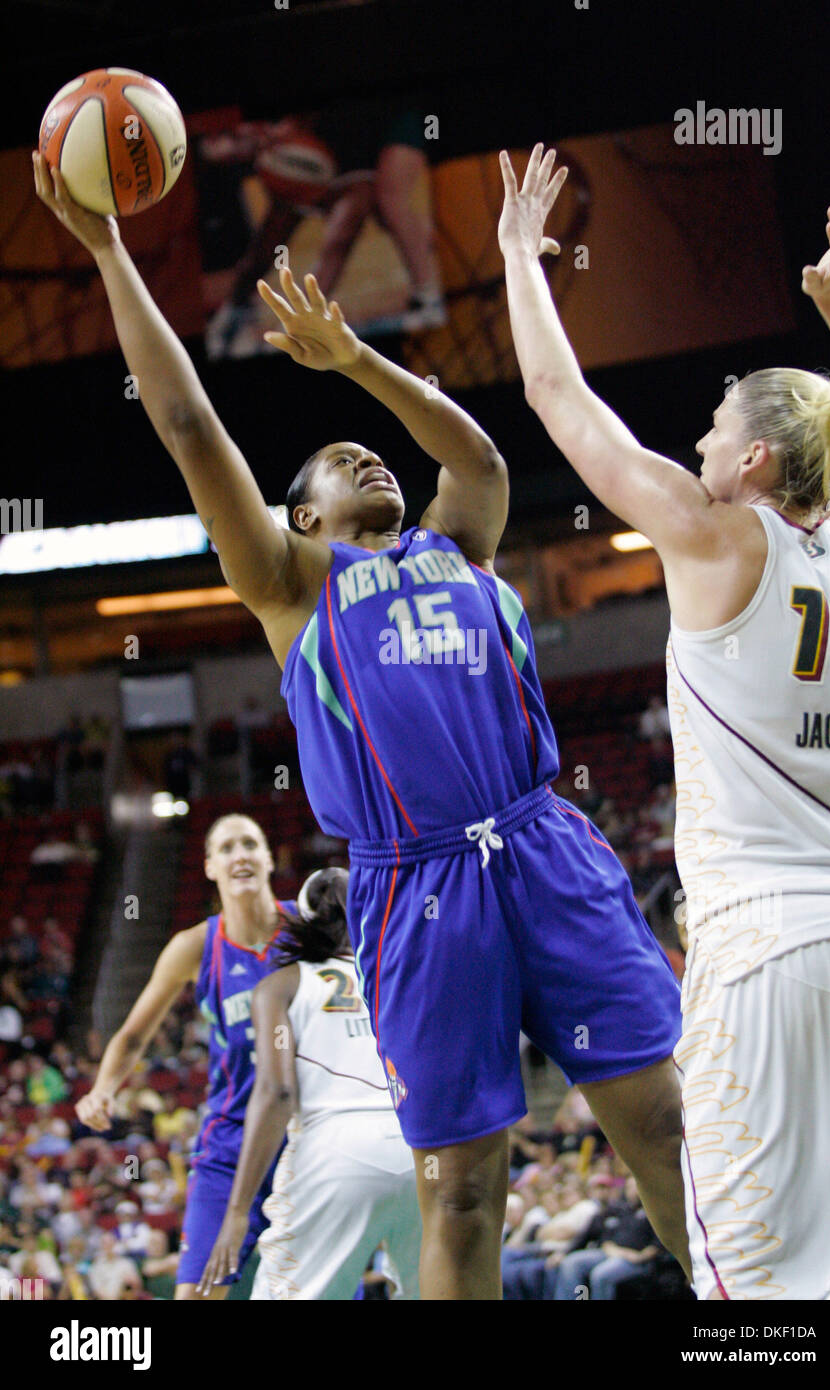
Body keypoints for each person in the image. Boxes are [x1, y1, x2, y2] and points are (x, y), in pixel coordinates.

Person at [34, 152, 688, 1301]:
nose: (367, 454)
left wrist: (355, 362)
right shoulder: (294, 586)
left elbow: (475, 456)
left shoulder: (460, 542)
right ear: (302, 517)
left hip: (541, 843)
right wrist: (106, 250)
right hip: (416, 889)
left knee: (664, 1126)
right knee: (463, 1190)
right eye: (340, 462)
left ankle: (762, 1322)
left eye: (372, 448)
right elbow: (188, 424)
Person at [498, 146, 830, 1299]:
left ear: (752, 457)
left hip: (762, 961)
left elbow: (560, 402)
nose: (695, 443)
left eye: (711, 428)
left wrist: (516, 255)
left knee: (754, 1297)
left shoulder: (715, 537)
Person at [74, 812, 297, 1299]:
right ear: (210, 867)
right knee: (195, 1293)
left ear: (268, 858)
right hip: (232, 1140)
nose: (239, 855)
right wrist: (104, 1089)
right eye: (226, 848)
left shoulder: (307, 929)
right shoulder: (194, 947)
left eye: (249, 844)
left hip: (308, 1135)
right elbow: (133, 1036)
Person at [198, 867, 421, 1300]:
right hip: (419, 1148)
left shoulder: (279, 986)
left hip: (333, 1152)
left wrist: (238, 1211)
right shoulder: (400, 976)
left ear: (302, 919)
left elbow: (277, 1093)